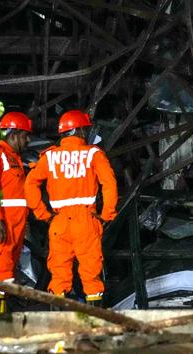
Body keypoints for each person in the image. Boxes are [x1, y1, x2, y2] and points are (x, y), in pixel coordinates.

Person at [24, 110, 118, 307]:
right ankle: (95, 329)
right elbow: (109, 184)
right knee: (91, 278)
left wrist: (43, 214)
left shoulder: (49, 157)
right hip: (86, 221)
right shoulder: (93, 154)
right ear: (80, 131)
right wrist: (106, 215)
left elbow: (30, 184)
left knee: (59, 276)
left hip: (59, 223)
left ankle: (58, 329)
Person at [0, 112, 53, 314]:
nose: (27, 140)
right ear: (13, 134)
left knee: (5, 279)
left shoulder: (13, 159)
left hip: (12, 228)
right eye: (24, 136)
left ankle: (0, 326)